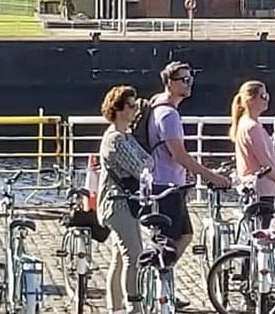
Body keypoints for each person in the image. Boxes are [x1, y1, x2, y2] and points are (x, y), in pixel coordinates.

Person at [147, 61, 230, 309]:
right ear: (170, 83)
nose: (188, 84)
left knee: (184, 235)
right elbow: (178, 154)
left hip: (168, 183)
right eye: (183, 80)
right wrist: (210, 176)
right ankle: (159, 285)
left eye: (190, 79)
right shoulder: (168, 114)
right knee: (172, 239)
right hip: (166, 185)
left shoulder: (158, 104)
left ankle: (164, 284)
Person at [98, 86, 151, 314]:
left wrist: (146, 164)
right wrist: (146, 165)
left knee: (119, 258)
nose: (135, 110)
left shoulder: (126, 136)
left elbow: (148, 160)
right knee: (134, 255)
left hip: (126, 203)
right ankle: (134, 306)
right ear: (118, 109)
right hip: (116, 204)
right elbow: (142, 167)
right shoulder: (115, 140)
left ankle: (115, 307)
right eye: (131, 106)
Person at [230, 80, 275, 227]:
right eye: (263, 96)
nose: (266, 100)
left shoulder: (244, 124)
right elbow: (265, 161)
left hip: (252, 184)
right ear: (250, 99)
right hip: (262, 186)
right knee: (264, 230)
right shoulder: (253, 127)